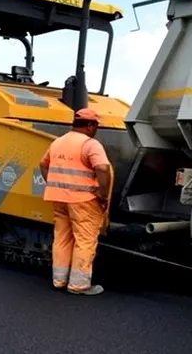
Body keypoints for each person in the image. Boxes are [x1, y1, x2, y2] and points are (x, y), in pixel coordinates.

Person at [39, 108, 113, 295]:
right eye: (95, 125)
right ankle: (79, 285)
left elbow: (43, 164)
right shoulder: (90, 144)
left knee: (62, 238)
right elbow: (103, 169)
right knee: (85, 240)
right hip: (84, 200)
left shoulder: (58, 142)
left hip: (59, 199)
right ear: (89, 125)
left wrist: (54, 184)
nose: (96, 129)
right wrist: (103, 195)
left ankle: (59, 280)